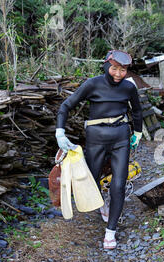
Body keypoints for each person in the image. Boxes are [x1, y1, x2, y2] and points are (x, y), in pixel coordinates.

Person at [55, 50, 143, 250]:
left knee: (119, 184)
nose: (118, 74)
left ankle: (110, 232)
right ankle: (101, 202)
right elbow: (66, 106)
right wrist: (60, 133)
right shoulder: (92, 84)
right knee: (92, 179)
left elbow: (137, 111)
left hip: (121, 137)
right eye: (114, 68)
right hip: (96, 138)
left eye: (123, 70)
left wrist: (137, 133)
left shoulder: (129, 87)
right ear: (105, 66)